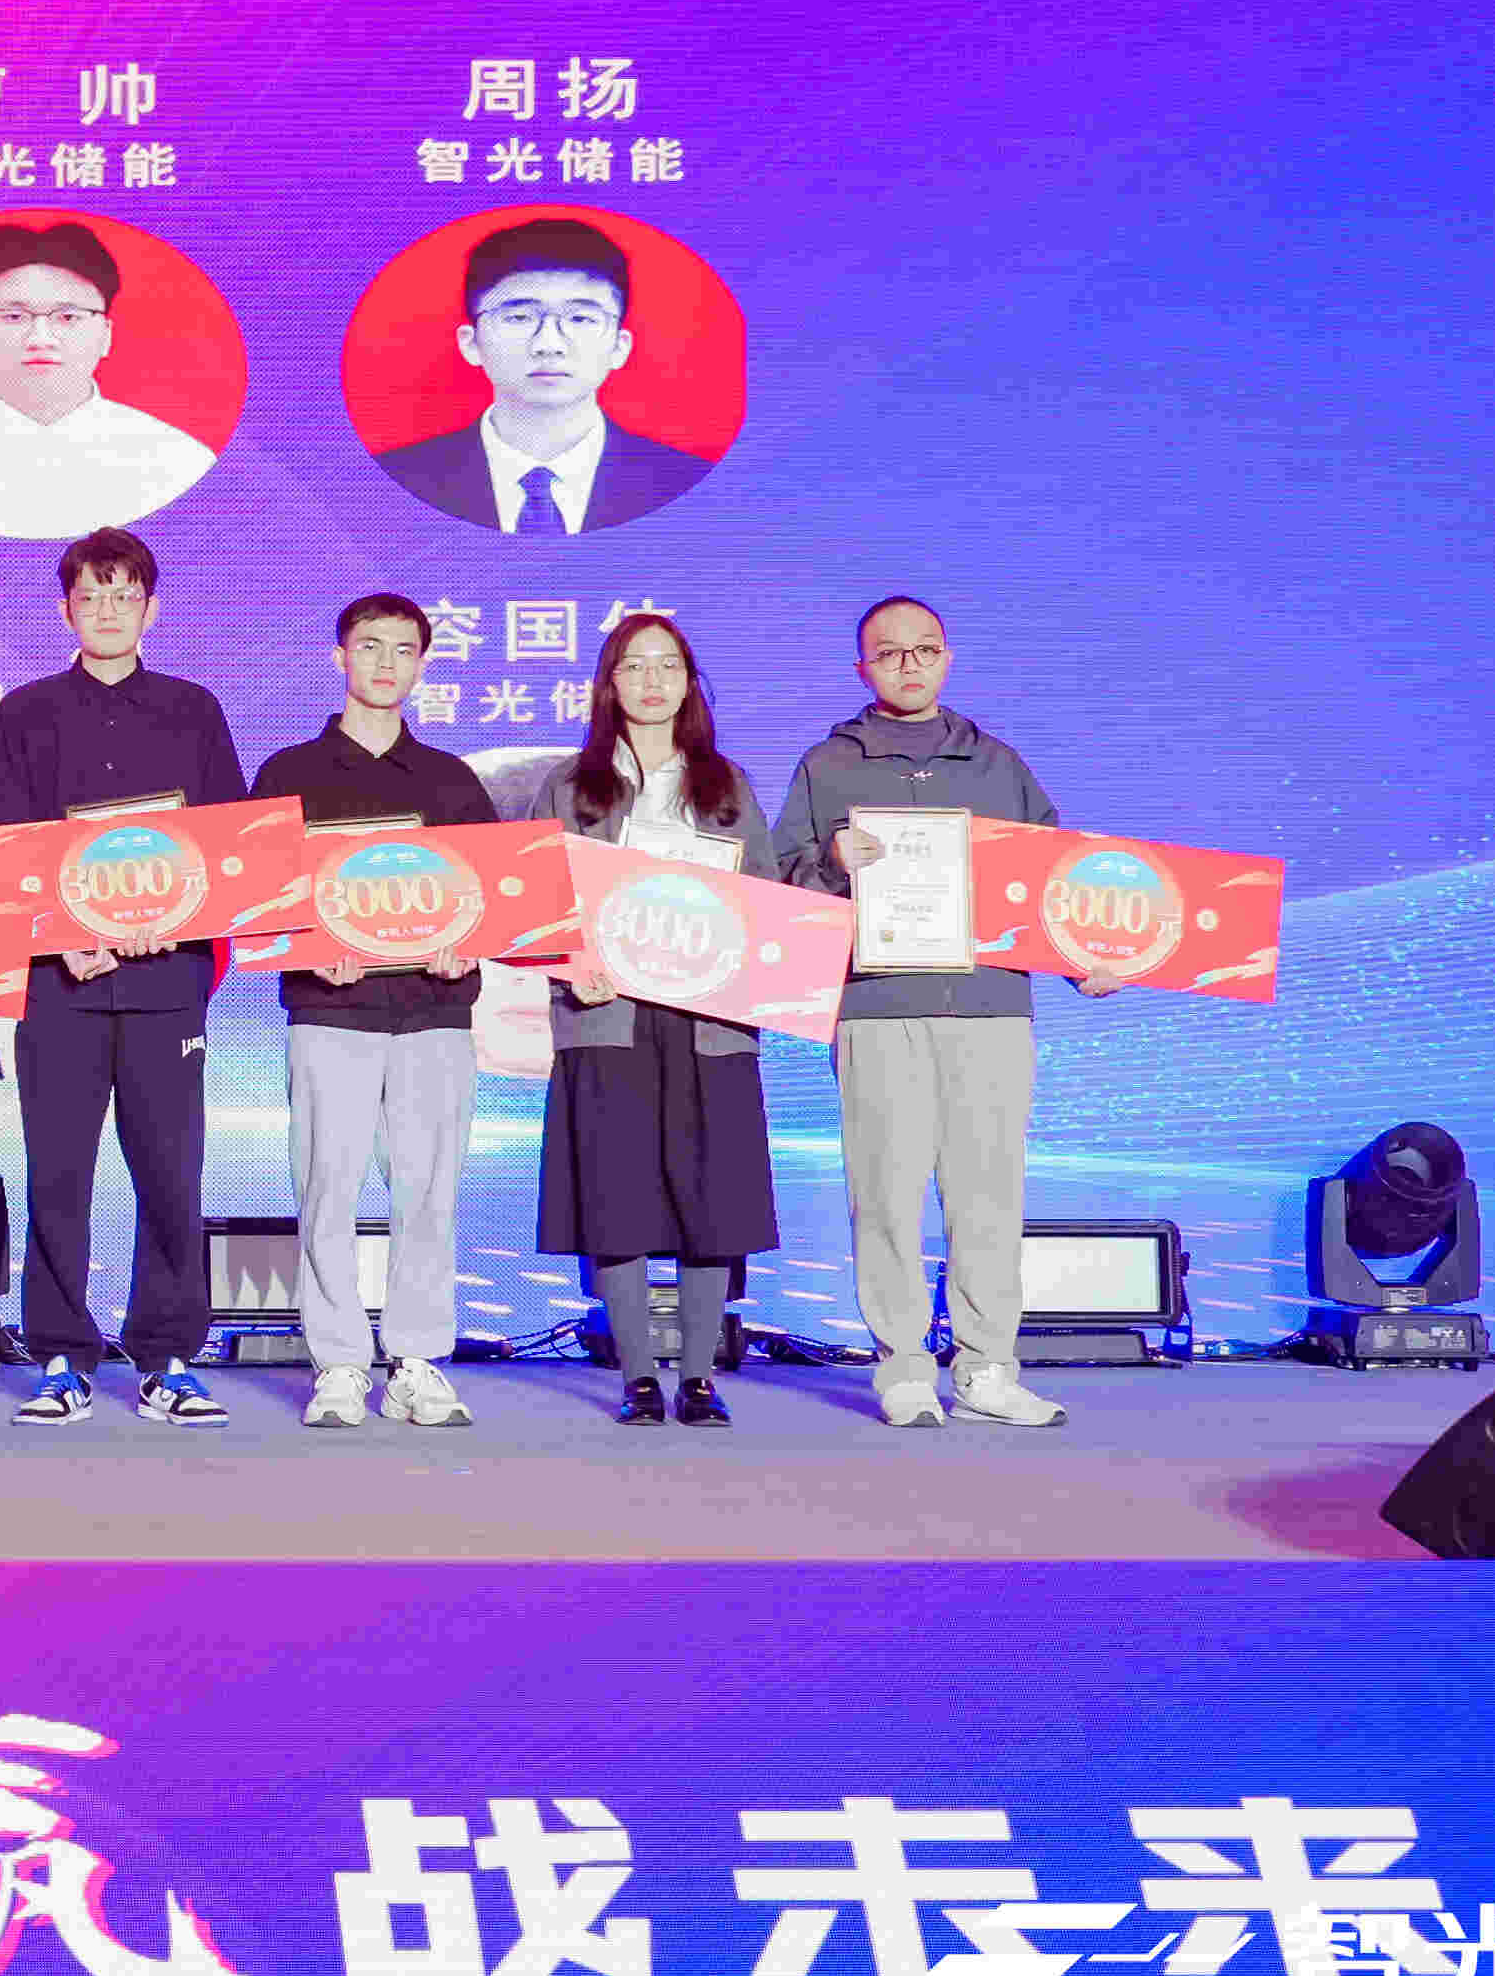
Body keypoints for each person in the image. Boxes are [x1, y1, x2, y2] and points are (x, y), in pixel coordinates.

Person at [773, 594, 1113, 1431]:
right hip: (878, 1006)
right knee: (885, 1196)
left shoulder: (998, 764)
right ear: (863, 669)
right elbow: (780, 885)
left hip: (990, 1006)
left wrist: (1085, 961)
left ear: (948, 657)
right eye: (890, 653)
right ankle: (902, 1368)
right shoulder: (827, 765)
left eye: (925, 648)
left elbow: (1055, 883)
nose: (910, 665)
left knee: (987, 1199)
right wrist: (830, 860)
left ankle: (987, 1368)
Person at [0, 528, 250, 1429]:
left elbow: (224, 847)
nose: (107, 611)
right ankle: (61, 1353)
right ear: (65, 610)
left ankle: (168, 1356)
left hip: (167, 985)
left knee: (171, 1174)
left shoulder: (193, 709)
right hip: (59, 986)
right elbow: (12, 846)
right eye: (90, 597)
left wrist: (162, 924)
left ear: (151, 608)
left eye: (123, 595)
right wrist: (63, 937)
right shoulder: (26, 712)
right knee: (58, 1176)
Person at [259, 591, 498, 1431]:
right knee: (326, 1189)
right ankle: (337, 1363)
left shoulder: (451, 780)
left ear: (423, 665)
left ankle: (418, 1360)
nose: (386, 663)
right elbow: (263, 899)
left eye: (403, 649)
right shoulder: (288, 774)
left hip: (435, 1013)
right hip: (331, 1013)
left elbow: (489, 899)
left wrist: (466, 944)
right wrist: (305, 945)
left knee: (430, 1193)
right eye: (370, 646)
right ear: (340, 656)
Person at [543, 614, 781, 1430]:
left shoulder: (726, 785)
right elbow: (539, 903)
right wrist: (570, 961)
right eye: (634, 666)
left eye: (669, 665)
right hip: (607, 1015)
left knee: (714, 1200)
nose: (652, 681)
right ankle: (639, 1375)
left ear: (688, 682)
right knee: (616, 1196)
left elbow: (769, 902)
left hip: (710, 1019)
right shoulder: (571, 785)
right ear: (609, 685)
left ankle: (700, 1376)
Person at [0, 222, 216, 539]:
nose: (41, 338)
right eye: (14, 316)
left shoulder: (175, 459)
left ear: (106, 334)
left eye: (68, 317)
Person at [372, 218, 713, 538]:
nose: (549, 344)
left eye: (580, 319)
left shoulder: (686, 485)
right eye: (519, 317)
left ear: (619, 346)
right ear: (471, 343)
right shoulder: (394, 483)